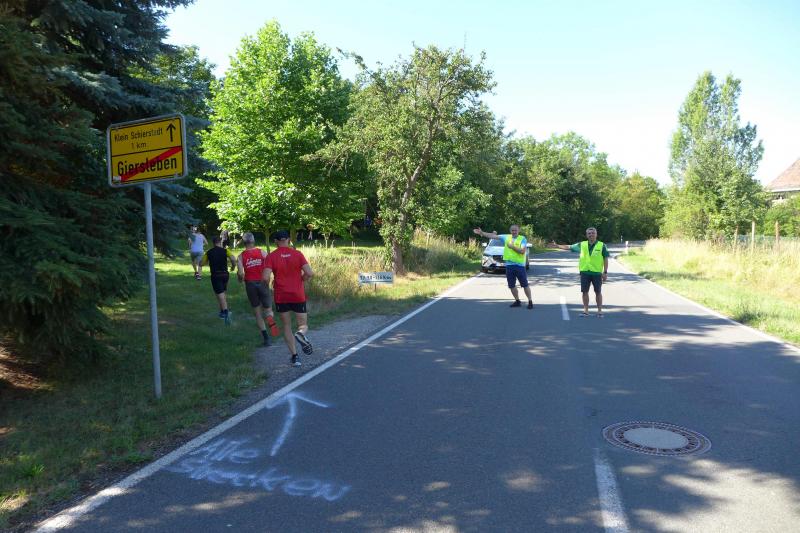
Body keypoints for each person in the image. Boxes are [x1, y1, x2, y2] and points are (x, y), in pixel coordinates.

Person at [263, 230, 314, 367]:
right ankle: (301, 334)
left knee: (286, 325)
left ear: (275, 241)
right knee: (303, 324)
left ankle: (295, 357)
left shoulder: (271, 256)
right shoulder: (297, 254)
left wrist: (268, 285)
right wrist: (302, 279)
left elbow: (265, 277)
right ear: (288, 239)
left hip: (281, 295)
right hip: (297, 294)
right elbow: (310, 273)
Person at [552, 227, 610, 317]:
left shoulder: (602, 245)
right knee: (584, 292)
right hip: (585, 272)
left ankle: (599, 311)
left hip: (597, 273)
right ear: (586, 235)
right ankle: (586, 311)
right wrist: (557, 246)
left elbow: (605, 259)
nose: (591, 235)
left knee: (598, 292)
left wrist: (605, 272)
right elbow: (569, 247)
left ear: (596, 234)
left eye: (593, 233)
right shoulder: (582, 244)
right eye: (589, 233)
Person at [473, 224, 533, 309]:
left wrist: (512, 247)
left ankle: (530, 301)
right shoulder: (506, 237)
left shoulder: (522, 239)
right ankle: (517, 301)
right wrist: (482, 233)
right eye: (512, 230)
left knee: (524, 285)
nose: (514, 232)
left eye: (515, 230)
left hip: (519, 266)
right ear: (510, 231)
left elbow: (522, 251)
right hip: (509, 266)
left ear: (518, 230)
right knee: (511, 286)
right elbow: (493, 236)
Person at [237, 232, 280, 346]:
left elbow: (241, 273)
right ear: (253, 241)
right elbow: (270, 266)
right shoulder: (262, 252)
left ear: (244, 242)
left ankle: (266, 338)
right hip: (263, 283)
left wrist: (240, 279)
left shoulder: (241, 256)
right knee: (268, 309)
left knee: (257, 312)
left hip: (250, 285)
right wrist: (270, 278)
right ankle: (273, 329)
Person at [199, 236, 237, 324]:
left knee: (220, 294)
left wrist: (205, 260)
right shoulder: (226, 251)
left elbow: (201, 263)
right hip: (225, 274)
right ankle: (222, 312)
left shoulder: (209, 252)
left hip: (216, 275)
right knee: (222, 293)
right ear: (220, 242)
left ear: (213, 243)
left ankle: (226, 312)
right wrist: (233, 266)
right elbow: (233, 259)